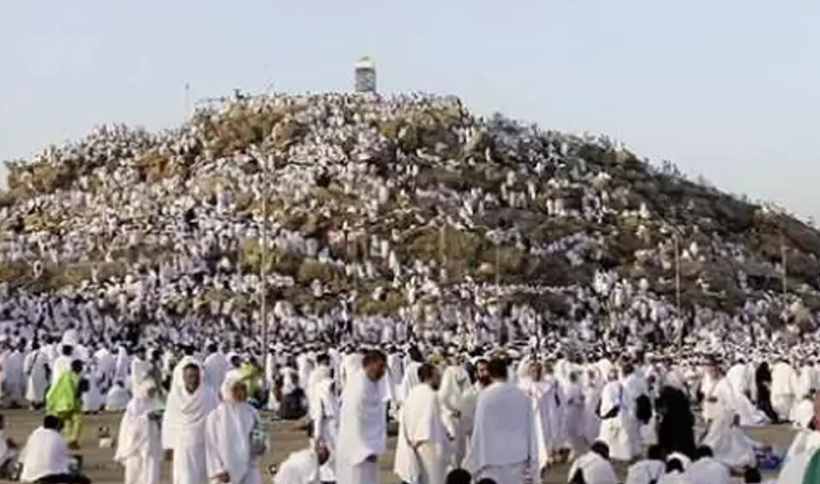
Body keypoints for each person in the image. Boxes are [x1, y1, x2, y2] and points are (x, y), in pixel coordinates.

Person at [465, 358, 537, 484]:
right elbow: (531, 428)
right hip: (518, 456)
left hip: (491, 457)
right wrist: (533, 457)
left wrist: (474, 457)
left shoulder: (485, 396)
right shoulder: (522, 396)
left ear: (490, 374)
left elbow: (480, 429)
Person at [335, 349, 388, 484]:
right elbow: (354, 421)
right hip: (357, 451)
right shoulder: (358, 387)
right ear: (369, 365)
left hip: (369, 450)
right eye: (380, 366)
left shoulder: (372, 383)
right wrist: (365, 450)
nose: (383, 371)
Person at [162, 360, 219, 484]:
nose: (193, 380)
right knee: (185, 477)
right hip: (182, 445)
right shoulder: (175, 396)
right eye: (190, 377)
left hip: (204, 444)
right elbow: (169, 422)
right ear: (183, 378)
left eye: (196, 377)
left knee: (201, 477)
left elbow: (217, 420)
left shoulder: (209, 394)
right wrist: (168, 446)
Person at [394, 363, 452, 484]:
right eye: (437, 376)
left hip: (414, 444)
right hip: (428, 446)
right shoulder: (430, 395)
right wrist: (418, 441)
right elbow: (427, 422)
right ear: (429, 377)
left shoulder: (413, 393)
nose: (440, 379)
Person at [205, 373, 265, 484]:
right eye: (235, 389)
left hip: (249, 468)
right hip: (226, 472)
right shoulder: (215, 416)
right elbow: (211, 446)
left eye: (242, 388)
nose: (239, 392)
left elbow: (260, 435)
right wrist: (218, 469)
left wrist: (261, 446)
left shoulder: (251, 412)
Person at [114, 380, 163, 484]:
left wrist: (159, 419)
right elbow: (130, 425)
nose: (152, 393)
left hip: (151, 444)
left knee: (151, 472)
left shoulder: (155, 402)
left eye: (153, 391)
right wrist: (146, 418)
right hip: (135, 446)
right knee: (134, 472)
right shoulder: (134, 404)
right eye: (150, 391)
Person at [18, 415, 91, 484]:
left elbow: (23, 457)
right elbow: (64, 461)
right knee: (83, 479)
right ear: (57, 426)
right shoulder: (58, 438)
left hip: (29, 476)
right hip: (50, 475)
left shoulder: (34, 434)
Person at [45, 360, 85, 449]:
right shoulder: (76, 377)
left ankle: (67, 440)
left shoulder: (65, 374)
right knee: (77, 420)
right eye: (81, 367)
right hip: (71, 403)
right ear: (78, 367)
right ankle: (72, 440)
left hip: (60, 402)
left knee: (67, 422)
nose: (82, 368)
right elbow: (76, 392)